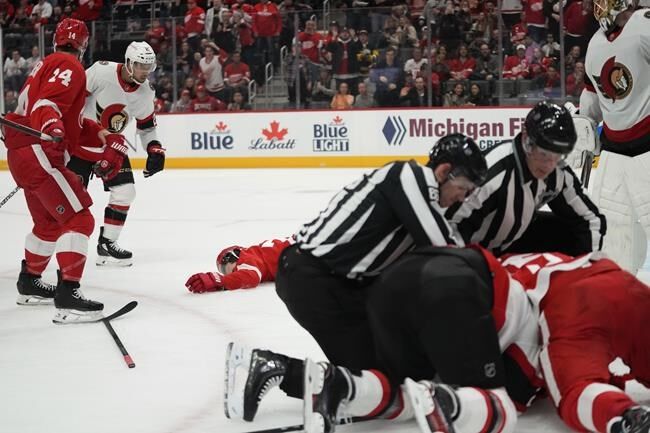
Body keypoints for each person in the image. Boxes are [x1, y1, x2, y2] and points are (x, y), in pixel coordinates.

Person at [223, 133, 489, 421]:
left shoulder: (424, 200)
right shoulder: (408, 175)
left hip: (340, 285)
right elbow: (444, 247)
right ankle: (275, 368)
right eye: (462, 187)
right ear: (443, 171)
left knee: (392, 377)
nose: (462, 197)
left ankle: (290, 374)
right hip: (313, 280)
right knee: (379, 384)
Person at [225, 245, 541, 433]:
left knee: (385, 379)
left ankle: (282, 369)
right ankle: (296, 374)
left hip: (394, 306)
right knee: (400, 387)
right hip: (401, 308)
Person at [3, 18, 127, 323]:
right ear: (84, 45)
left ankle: (30, 283)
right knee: (79, 217)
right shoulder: (68, 66)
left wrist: (102, 134)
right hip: (39, 149)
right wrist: (51, 125)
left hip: (23, 152)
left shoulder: (47, 63)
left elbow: (71, 122)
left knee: (48, 223)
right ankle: (68, 296)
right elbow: (47, 106)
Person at [501, 251, 650, 433]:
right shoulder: (523, 259)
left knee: (576, 386)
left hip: (573, 300)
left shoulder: (495, 284)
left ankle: (623, 415)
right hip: (617, 278)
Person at [447, 101, 606, 256]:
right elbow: (450, 225)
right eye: (544, 154)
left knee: (567, 229)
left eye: (557, 155)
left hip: (508, 243)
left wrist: (590, 270)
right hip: (475, 255)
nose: (549, 166)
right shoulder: (492, 173)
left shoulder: (557, 170)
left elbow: (590, 219)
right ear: (527, 142)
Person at [67, 41, 165, 267]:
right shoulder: (101, 71)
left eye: (149, 66)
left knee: (125, 192)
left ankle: (107, 243)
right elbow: (72, 99)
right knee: (70, 201)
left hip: (111, 146)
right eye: (141, 65)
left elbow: (147, 125)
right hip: (80, 144)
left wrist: (154, 148)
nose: (145, 71)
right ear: (129, 63)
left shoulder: (145, 93)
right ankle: (60, 248)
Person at [579, 0, 650, 273]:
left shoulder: (642, 23)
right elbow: (591, 104)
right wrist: (584, 124)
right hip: (614, 158)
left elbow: (591, 103)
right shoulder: (596, 44)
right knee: (614, 237)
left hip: (639, 151)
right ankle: (617, 301)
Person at [184, 237, 294, 292]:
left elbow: (251, 276)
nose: (231, 273)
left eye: (225, 268)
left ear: (232, 257)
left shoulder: (245, 257)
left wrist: (221, 280)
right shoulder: (258, 252)